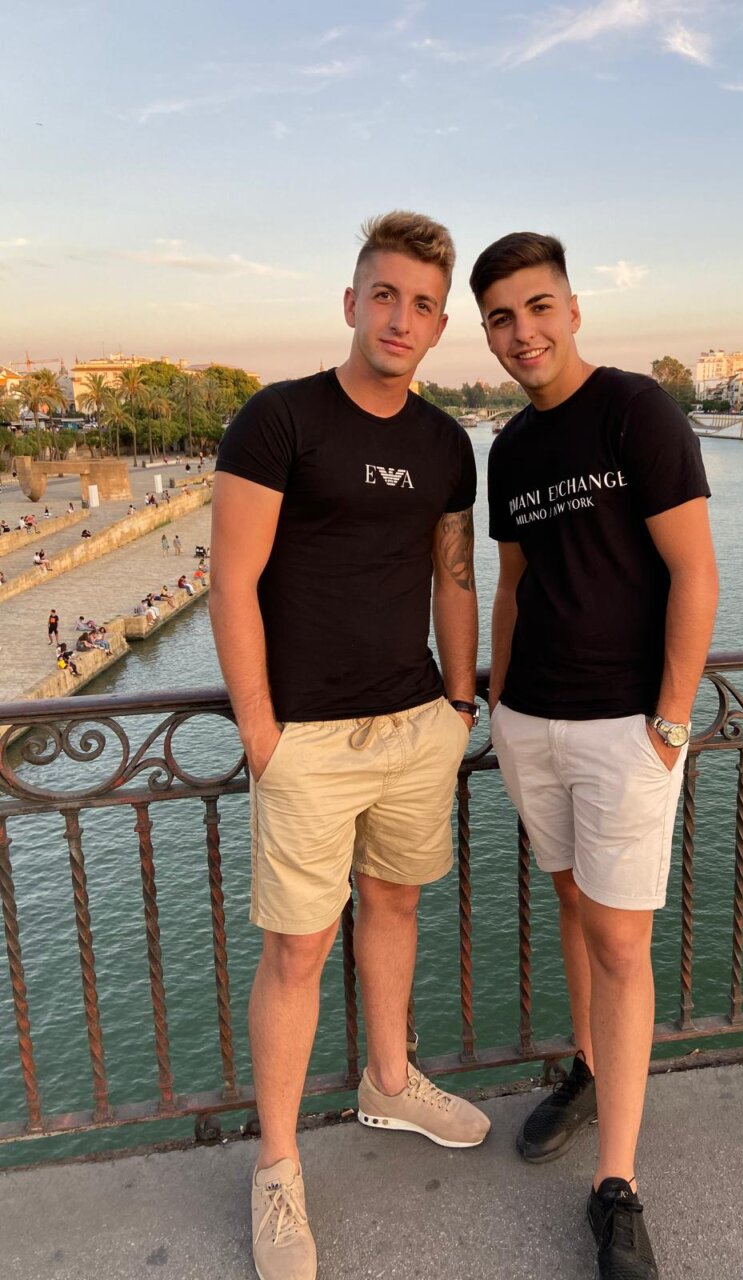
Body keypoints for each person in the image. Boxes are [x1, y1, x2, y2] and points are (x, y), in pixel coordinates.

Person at [211, 210, 485, 1280]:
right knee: (296, 949)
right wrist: (260, 730)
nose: (400, 317)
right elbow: (232, 579)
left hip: (415, 722)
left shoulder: (445, 444)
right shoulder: (277, 421)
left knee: (399, 903)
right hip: (307, 738)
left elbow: (453, 577)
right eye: (385, 294)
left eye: (422, 303)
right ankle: (276, 1166)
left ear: (438, 321)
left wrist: (459, 702)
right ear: (350, 301)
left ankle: (387, 1077)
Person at [471, 231, 719, 1280]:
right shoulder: (511, 450)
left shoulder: (636, 410)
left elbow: (695, 572)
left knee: (622, 943)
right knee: (573, 907)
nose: (521, 332)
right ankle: (586, 1068)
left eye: (537, 307)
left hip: (626, 727)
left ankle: (616, 1186)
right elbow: (516, 583)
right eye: (500, 317)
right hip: (532, 720)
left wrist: (669, 717)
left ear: (572, 309)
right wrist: (494, 695)